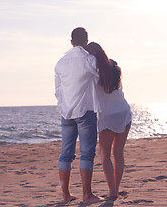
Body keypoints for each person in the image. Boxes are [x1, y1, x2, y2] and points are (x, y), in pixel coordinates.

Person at [54, 28, 102, 203]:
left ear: (71, 42)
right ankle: (87, 195)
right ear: (86, 41)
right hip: (85, 110)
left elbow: (58, 90)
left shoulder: (60, 62)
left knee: (65, 154)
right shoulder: (90, 60)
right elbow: (100, 81)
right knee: (87, 154)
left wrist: (63, 107)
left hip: (66, 113)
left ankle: (66, 195)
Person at [85, 42, 132, 199]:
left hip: (109, 117)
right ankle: (115, 190)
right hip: (124, 113)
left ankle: (112, 192)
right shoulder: (115, 67)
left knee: (105, 155)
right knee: (118, 153)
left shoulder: (94, 71)